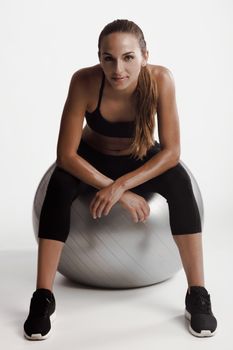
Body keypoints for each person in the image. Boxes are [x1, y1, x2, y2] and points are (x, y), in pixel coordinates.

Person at [23, 19, 217, 340]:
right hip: (90, 157)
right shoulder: (84, 82)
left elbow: (171, 152)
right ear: (99, 58)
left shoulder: (161, 80)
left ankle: (198, 294)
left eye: (128, 57)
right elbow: (67, 155)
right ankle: (42, 297)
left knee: (181, 183)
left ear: (144, 56)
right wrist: (113, 189)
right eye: (108, 58)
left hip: (139, 156)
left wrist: (121, 185)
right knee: (59, 184)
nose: (117, 69)